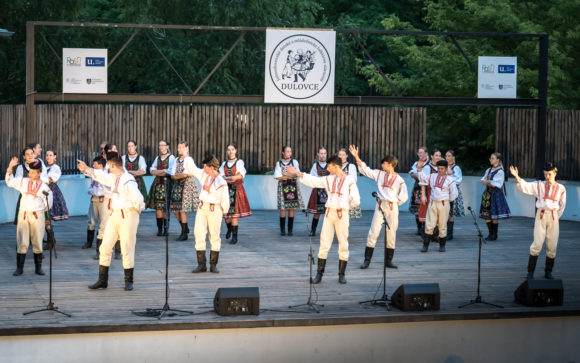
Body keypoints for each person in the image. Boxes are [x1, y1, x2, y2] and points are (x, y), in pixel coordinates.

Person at [288, 155, 361, 284]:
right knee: (324, 243)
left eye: (329, 166)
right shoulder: (328, 179)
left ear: (336, 166)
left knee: (343, 243)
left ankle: (341, 274)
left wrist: (344, 207)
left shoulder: (349, 181)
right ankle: (319, 274)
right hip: (329, 214)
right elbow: (314, 181)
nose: (327, 168)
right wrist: (297, 173)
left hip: (342, 214)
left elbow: (356, 200)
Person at [77, 153, 145, 291]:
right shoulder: (114, 177)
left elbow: (139, 201)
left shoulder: (128, 180)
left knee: (127, 247)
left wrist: (133, 215)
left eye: (109, 165)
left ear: (113, 165)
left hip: (127, 215)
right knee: (105, 246)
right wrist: (87, 169)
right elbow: (102, 176)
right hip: (114, 215)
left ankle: (128, 281)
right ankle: (103, 280)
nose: (108, 168)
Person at [349, 145, 408, 269]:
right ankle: (367, 260)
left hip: (392, 207)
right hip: (380, 205)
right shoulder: (379, 174)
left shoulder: (400, 180)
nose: (382, 166)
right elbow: (365, 169)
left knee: (391, 233)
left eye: (384, 164)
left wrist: (394, 204)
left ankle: (388, 261)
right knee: (373, 232)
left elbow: (404, 197)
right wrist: (356, 156)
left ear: (390, 164)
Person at [510, 163, 566, 280]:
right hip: (541, 215)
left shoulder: (561, 188)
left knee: (552, 245)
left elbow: (562, 206)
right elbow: (526, 186)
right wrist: (516, 176)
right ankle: (530, 273)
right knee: (537, 243)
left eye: (549, 174)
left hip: (553, 216)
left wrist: (555, 217)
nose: (547, 177)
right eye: (545, 174)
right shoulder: (539, 185)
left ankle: (548, 272)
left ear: (555, 173)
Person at [6, 158, 52, 276]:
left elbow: (48, 203)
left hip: (37, 215)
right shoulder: (23, 181)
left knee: (37, 240)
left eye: (33, 172)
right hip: (24, 214)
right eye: (30, 171)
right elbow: (10, 182)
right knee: (22, 241)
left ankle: (38, 267)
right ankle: (19, 268)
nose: (30, 174)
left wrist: (41, 211)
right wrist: (10, 168)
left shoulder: (44, 187)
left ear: (39, 173)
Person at [184, 155, 230, 273]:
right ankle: (201, 265)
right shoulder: (204, 175)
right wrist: (186, 156)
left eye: (205, 166)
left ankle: (213, 265)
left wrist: (224, 212)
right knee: (198, 233)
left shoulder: (221, 181)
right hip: (202, 207)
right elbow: (192, 169)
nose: (203, 168)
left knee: (214, 235)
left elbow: (225, 199)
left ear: (211, 167)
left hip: (214, 209)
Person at [417, 159, 458, 252]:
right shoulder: (432, 176)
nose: (440, 170)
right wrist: (419, 169)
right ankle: (425, 245)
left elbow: (454, 193)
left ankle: (442, 245)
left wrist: (447, 200)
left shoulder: (450, 180)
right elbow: (423, 179)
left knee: (442, 225)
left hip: (444, 203)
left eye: (442, 169)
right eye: (439, 168)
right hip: (432, 203)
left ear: (446, 169)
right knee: (429, 224)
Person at [219, 143, 252, 245]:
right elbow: (220, 177)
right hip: (225, 191)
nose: (231, 151)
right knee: (226, 215)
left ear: (236, 150)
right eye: (228, 149)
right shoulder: (224, 164)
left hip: (236, 190)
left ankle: (234, 237)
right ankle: (229, 229)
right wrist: (231, 178)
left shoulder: (239, 162)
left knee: (234, 215)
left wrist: (228, 178)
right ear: (226, 151)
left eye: (232, 149)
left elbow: (238, 177)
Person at [94, 145, 122, 260]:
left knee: (119, 226)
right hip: (107, 200)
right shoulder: (104, 171)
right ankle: (99, 252)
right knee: (103, 226)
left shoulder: (120, 171)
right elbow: (97, 177)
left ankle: (118, 252)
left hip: (118, 201)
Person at [170, 141, 200, 241]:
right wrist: (179, 175)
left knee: (182, 209)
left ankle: (184, 233)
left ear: (187, 148)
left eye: (182, 147)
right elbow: (172, 175)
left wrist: (178, 175)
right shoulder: (176, 160)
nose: (179, 149)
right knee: (175, 209)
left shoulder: (189, 160)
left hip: (186, 185)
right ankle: (185, 227)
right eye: (179, 147)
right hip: (177, 186)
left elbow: (186, 174)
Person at [479, 152, 511, 240]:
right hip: (487, 194)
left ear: (497, 160)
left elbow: (497, 184)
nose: (490, 159)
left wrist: (488, 181)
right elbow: (483, 180)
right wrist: (488, 181)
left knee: (494, 214)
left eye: (492, 158)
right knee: (487, 214)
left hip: (495, 194)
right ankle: (490, 233)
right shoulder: (488, 170)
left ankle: (494, 234)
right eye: (490, 158)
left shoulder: (500, 171)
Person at [273, 146, 304, 236]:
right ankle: (282, 230)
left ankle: (290, 230)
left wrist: (285, 175)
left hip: (293, 186)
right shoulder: (278, 163)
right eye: (287, 151)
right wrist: (290, 175)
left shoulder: (294, 162)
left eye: (290, 151)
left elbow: (297, 174)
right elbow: (277, 177)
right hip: (283, 187)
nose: (289, 153)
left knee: (291, 208)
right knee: (283, 208)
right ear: (283, 153)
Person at [13, 146, 49, 225]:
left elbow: (45, 180)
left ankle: (48, 234)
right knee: (26, 222)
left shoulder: (40, 165)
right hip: (26, 196)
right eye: (27, 154)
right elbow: (17, 182)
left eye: (32, 153)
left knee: (43, 220)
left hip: (39, 195)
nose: (30, 156)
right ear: (24, 157)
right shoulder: (21, 168)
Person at [148, 140, 175, 236]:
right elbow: (151, 170)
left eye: (163, 145)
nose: (161, 147)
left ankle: (166, 229)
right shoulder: (157, 158)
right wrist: (162, 171)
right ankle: (160, 229)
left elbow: (169, 171)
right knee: (158, 207)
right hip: (158, 184)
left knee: (165, 207)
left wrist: (158, 172)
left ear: (167, 146)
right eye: (160, 145)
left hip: (167, 184)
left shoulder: (171, 158)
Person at [84, 156, 106, 249]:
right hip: (94, 199)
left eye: (95, 164)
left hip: (102, 200)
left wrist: (86, 168)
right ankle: (89, 242)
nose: (93, 166)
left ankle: (100, 246)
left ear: (100, 165)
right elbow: (87, 172)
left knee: (103, 224)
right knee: (91, 222)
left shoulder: (104, 174)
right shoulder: (95, 174)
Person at [305, 147, 328, 236]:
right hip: (317, 190)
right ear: (318, 154)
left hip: (327, 191)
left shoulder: (330, 165)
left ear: (326, 154)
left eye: (324, 153)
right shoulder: (315, 165)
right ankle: (313, 230)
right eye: (321, 153)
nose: (323, 155)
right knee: (317, 212)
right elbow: (312, 177)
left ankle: (327, 232)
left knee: (328, 213)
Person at [408, 147, 430, 236]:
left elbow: (427, 176)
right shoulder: (416, 163)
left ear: (426, 154)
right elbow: (412, 173)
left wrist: (419, 175)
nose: (420, 155)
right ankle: (419, 228)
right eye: (419, 153)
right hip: (418, 188)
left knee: (427, 208)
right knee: (417, 208)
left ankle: (426, 228)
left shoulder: (430, 164)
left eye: (421, 153)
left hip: (428, 188)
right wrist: (420, 175)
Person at [445, 150, 465, 240]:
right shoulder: (443, 167)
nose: (447, 158)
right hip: (444, 192)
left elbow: (458, 180)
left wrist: (449, 176)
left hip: (453, 191)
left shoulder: (456, 168)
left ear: (453, 157)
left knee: (450, 213)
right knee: (444, 213)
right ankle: (443, 233)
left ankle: (449, 234)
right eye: (446, 156)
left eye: (449, 156)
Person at [338, 148, 362, 219]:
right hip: (338, 192)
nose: (341, 156)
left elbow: (354, 179)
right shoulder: (336, 166)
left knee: (346, 215)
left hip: (347, 192)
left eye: (343, 155)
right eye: (340, 155)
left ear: (346, 156)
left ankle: (345, 229)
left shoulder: (351, 166)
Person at [122, 140, 148, 204]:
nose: (130, 148)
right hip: (126, 183)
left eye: (132, 146)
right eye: (129, 146)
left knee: (138, 202)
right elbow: (121, 171)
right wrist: (136, 172)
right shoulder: (123, 158)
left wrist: (128, 172)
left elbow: (142, 171)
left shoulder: (140, 158)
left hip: (138, 182)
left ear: (135, 147)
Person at [45, 149, 69, 221]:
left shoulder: (56, 167)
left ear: (54, 156)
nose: (48, 157)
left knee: (49, 208)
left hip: (52, 189)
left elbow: (51, 179)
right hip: (44, 188)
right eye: (47, 155)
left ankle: (49, 229)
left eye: (50, 155)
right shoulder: (45, 168)